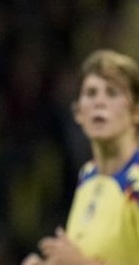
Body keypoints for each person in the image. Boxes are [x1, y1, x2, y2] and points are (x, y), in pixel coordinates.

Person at [22, 49, 139, 265]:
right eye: (91, 93)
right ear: (78, 113)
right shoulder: (88, 176)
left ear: (136, 112)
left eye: (112, 93)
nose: (99, 102)